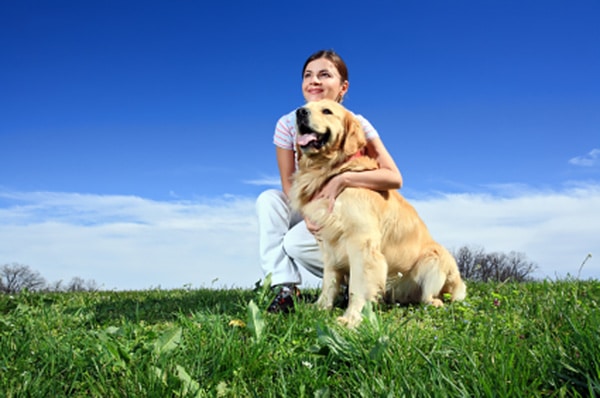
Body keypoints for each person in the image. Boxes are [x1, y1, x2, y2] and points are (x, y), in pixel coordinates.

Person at [256, 49, 403, 313]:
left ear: (342, 87)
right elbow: (289, 184)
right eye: (308, 75)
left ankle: (357, 282)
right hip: (312, 206)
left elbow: (393, 177)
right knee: (268, 200)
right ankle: (284, 287)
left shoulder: (354, 122)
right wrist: (307, 215)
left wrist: (343, 180)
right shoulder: (288, 123)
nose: (314, 80)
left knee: (294, 243)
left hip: (345, 209)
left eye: (324, 74)